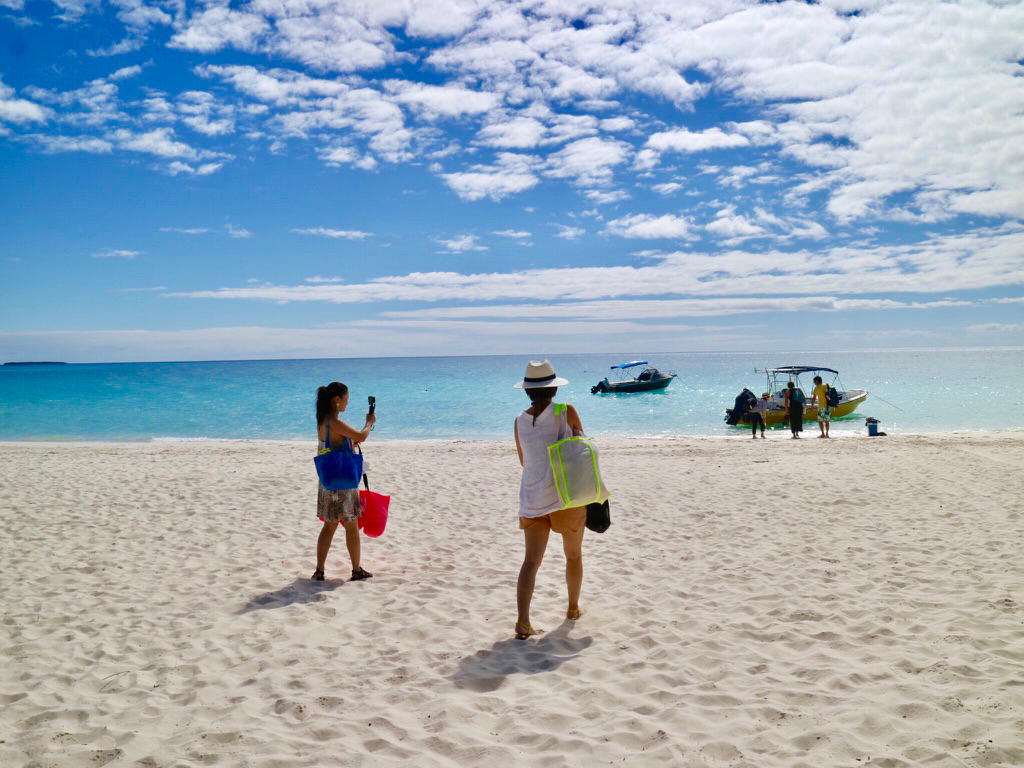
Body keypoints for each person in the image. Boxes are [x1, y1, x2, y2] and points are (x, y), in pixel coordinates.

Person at [512, 360, 587, 640]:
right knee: (573, 555)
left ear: (528, 391)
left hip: (531, 499)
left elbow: (523, 460)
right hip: (565, 498)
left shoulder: (519, 421)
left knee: (530, 562)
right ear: (554, 387)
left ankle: (522, 622)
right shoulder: (565, 411)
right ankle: (572, 608)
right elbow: (583, 446)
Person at [312, 381, 376, 582]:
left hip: (328, 481)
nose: (347, 404)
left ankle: (319, 570)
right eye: (346, 400)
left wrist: (350, 441)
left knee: (329, 526)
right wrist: (369, 423)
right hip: (343, 482)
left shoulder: (323, 421)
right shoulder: (334, 421)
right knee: (351, 526)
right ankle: (356, 570)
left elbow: (337, 443)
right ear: (336, 399)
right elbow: (361, 436)